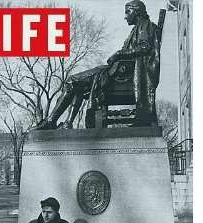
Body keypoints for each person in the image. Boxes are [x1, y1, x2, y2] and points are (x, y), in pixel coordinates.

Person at [37, 0, 161, 129]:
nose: (125, 17)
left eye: (127, 12)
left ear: (136, 11)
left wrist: (119, 53)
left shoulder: (145, 25)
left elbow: (144, 47)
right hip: (117, 72)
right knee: (77, 84)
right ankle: (66, 123)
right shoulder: (140, 27)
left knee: (71, 81)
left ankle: (51, 121)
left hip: (122, 76)